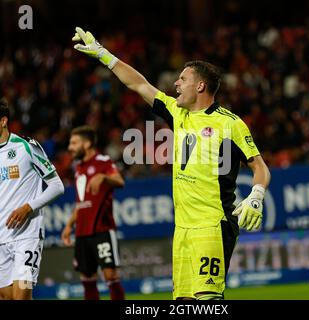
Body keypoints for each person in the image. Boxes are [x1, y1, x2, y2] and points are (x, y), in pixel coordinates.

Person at [72, 27, 271, 300]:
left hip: (212, 225)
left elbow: (259, 166)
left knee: (208, 300)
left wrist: (256, 195)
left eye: (183, 79)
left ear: (200, 86)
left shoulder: (229, 123)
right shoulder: (178, 114)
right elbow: (139, 84)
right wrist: (103, 54)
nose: (176, 84)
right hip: (182, 230)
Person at [0, 98, 65, 300]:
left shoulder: (26, 147)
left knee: (20, 296)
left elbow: (57, 186)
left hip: (27, 236)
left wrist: (28, 207)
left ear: (3, 121)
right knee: (4, 297)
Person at [61, 125, 125, 300]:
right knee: (87, 278)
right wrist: (69, 225)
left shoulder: (102, 161)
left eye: (74, 143)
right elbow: (81, 203)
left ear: (87, 144)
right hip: (82, 232)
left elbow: (120, 181)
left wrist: (104, 177)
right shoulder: (79, 168)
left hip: (102, 229)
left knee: (110, 275)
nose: (70, 147)